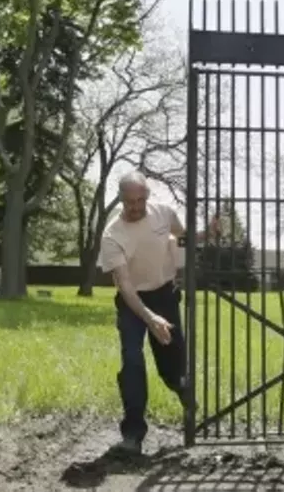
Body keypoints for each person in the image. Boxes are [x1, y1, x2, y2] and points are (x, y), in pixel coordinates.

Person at [98, 171, 193, 454]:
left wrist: (204, 235)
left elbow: (183, 237)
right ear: (121, 199)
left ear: (148, 197)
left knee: (172, 364)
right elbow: (125, 286)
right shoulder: (112, 235)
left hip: (164, 294)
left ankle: (185, 397)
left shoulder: (164, 213)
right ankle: (133, 434)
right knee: (132, 359)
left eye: (140, 200)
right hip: (133, 301)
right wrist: (150, 319)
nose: (136, 207)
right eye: (129, 202)